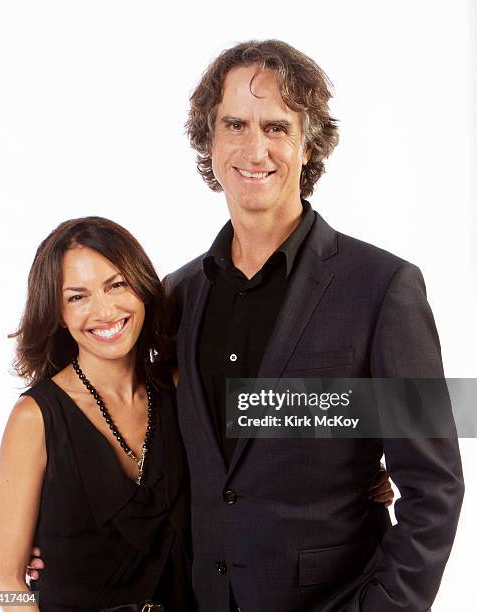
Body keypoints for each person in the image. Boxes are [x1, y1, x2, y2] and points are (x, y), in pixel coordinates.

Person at [162, 40, 465, 611]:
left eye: (277, 127)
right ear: (210, 139)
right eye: (235, 124)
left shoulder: (383, 288)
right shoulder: (177, 297)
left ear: (308, 144)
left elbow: (435, 489)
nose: (255, 148)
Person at [0, 217, 192, 611]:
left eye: (116, 285)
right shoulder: (36, 418)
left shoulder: (177, 389)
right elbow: (4, 580)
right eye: (77, 297)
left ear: (142, 287)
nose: (105, 310)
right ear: (57, 313)